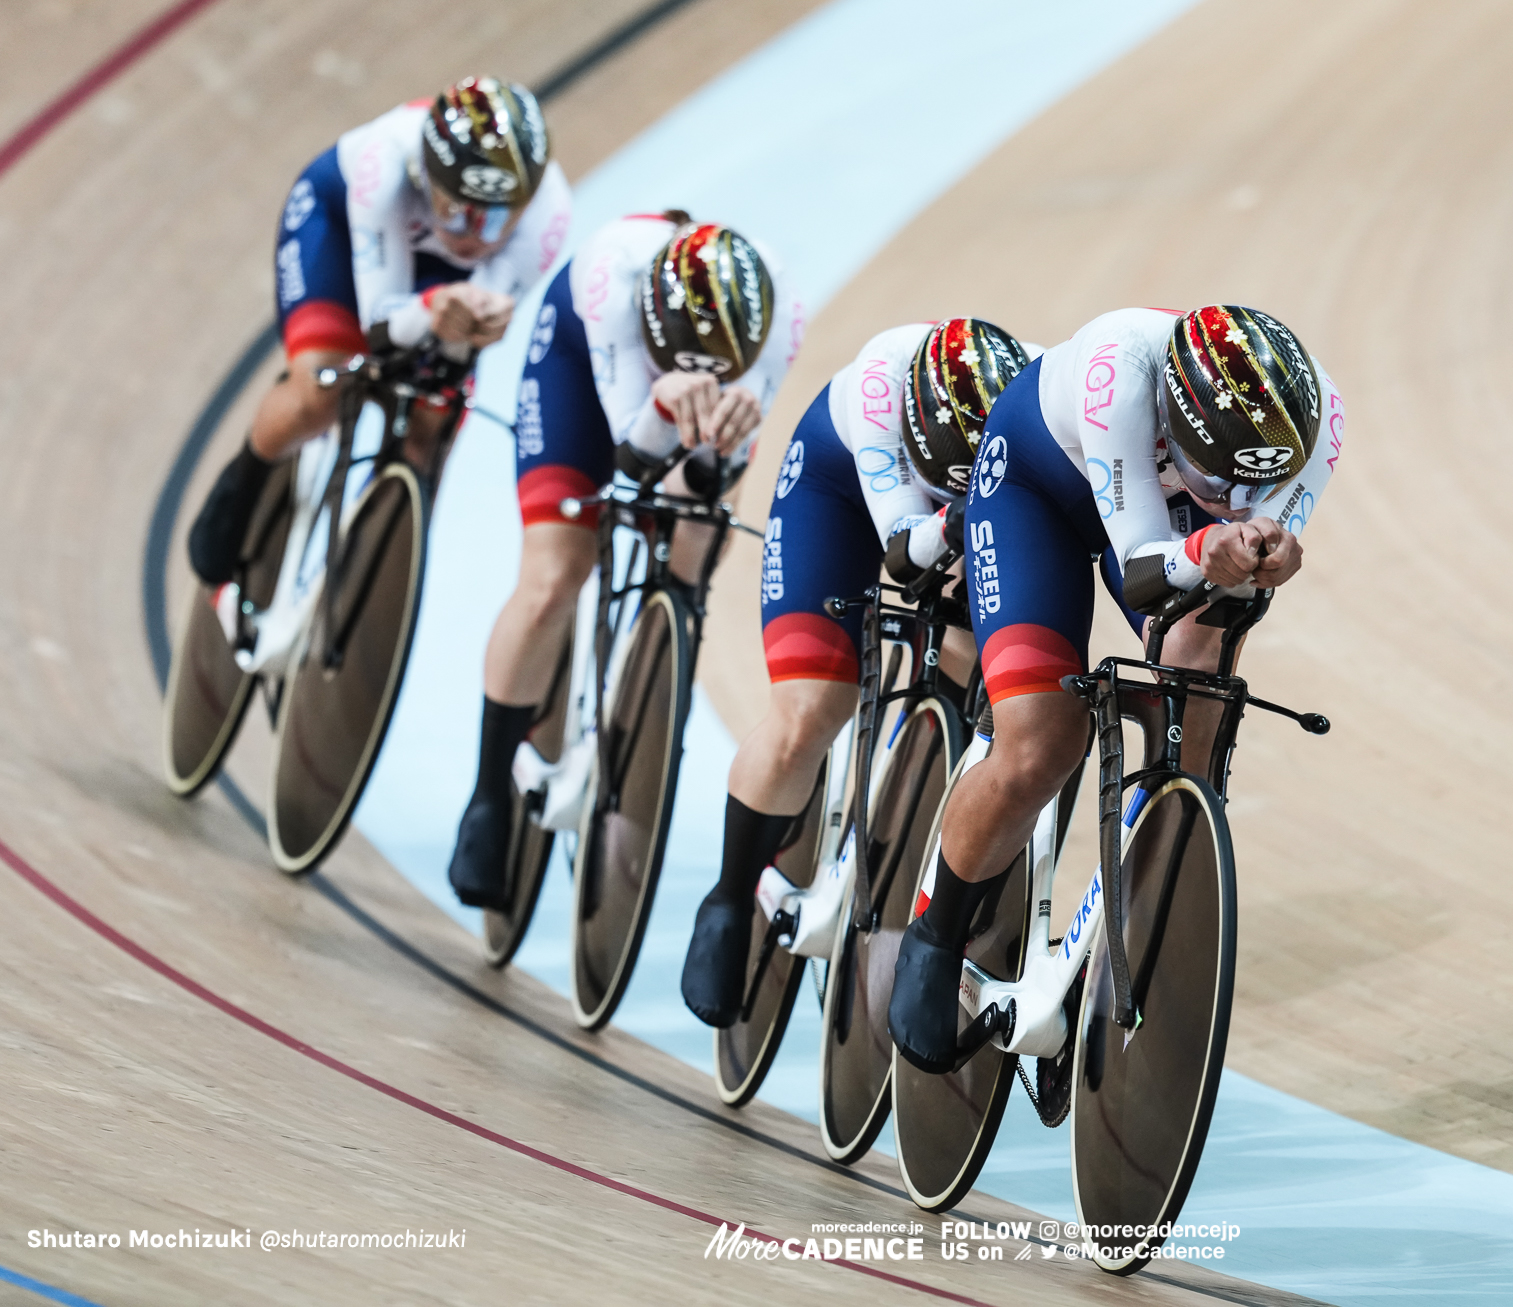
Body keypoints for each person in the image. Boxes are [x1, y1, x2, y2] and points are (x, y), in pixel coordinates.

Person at [886, 304, 1345, 1072]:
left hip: (1169, 510)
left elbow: (1243, 562)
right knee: (1042, 742)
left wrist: (1260, 553)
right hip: (1041, 488)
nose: (1236, 495)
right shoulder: (1118, 374)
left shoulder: (1317, 424)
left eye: (1251, 486)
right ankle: (934, 933)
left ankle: (1135, 933)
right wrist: (1208, 541)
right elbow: (1140, 563)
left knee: (1199, 685)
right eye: (1220, 480)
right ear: (1174, 424)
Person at [677, 318, 1035, 1026]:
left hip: (978, 503)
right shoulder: (877, 395)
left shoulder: (1036, 401)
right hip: (838, 487)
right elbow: (904, 554)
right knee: (810, 710)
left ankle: (926, 851)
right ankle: (728, 894)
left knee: (974, 672)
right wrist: (949, 525)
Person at [445, 213, 802, 909]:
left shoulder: (780, 312)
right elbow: (629, 463)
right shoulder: (612, 282)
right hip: (583, 368)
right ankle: (487, 798)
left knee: (698, 537)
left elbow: (705, 476)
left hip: (681, 392)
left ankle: (650, 695)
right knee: (554, 577)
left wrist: (709, 449)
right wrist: (664, 404)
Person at [185, 77, 571, 585]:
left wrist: (476, 323)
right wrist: (435, 306)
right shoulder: (384, 165)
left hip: (434, 278)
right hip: (345, 238)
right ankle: (244, 480)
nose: (475, 236)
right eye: (455, 210)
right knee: (322, 389)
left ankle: (380, 564)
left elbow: (466, 334)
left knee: (438, 421)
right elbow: (383, 323)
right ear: (425, 176)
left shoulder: (548, 215)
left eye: (498, 220)